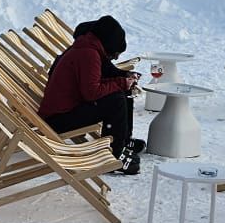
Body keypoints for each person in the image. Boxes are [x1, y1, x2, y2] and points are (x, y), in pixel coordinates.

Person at [38, 15, 146, 175]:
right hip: (58, 120)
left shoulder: (90, 48)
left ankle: (123, 141)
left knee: (121, 91)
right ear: (108, 45)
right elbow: (92, 93)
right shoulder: (89, 54)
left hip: (68, 110)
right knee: (116, 100)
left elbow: (100, 78)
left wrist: (124, 80)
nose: (116, 57)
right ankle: (114, 155)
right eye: (115, 53)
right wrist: (121, 83)